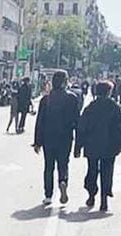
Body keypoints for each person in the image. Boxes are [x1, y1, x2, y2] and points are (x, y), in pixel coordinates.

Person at [74, 81, 121, 213]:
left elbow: (81, 128)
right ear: (109, 92)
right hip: (110, 146)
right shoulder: (113, 107)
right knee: (107, 172)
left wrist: (78, 146)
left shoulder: (90, 108)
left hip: (92, 145)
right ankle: (104, 199)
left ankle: (91, 194)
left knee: (92, 170)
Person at [32, 70, 81, 206]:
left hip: (49, 137)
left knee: (48, 166)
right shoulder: (72, 98)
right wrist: (79, 142)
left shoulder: (46, 99)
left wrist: (37, 142)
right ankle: (63, 181)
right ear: (65, 82)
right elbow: (77, 120)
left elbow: (40, 122)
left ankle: (48, 195)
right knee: (63, 164)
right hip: (65, 137)